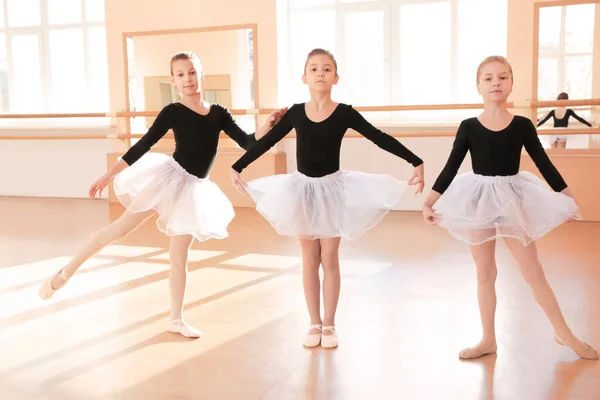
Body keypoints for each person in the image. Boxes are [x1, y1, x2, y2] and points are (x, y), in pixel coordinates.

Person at [39, 52, 287, 338]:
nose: (188, 79)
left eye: (192, 72)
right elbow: (143, 144)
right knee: (118, 229)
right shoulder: (172, 111)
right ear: (173, 81)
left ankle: (175, 319)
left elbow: (248, 142)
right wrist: (109, 175)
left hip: (193, 189)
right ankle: (65, 273)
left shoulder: (218, 113)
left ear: (201, 74)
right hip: (168, 180)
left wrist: (269, 124)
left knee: (178, 255)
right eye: (181, 75)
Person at [229, 48, 425, 349]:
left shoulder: (344, 112)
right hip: (302, 190)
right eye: (314, 68)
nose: (320, 73)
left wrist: (415, 160)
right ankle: (313, 323)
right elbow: (267, 141)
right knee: (309, 259)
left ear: (336, 77)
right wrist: (238, 165)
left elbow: (378, 136)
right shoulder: (295, 112)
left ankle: (330, 325)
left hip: (333, 190)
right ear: (304, 76)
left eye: (327, 68)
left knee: (330, 258)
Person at [421, 55, 598, 360]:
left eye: (502, 77)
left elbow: (544, 162)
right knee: (485, 272)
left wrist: (567, 198)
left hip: (513, 197)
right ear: (478, 86)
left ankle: (563, 332)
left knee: (533, 271)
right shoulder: (468, 127)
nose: (496, 83)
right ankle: (488, 338)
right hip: (478, 200)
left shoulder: (522, 125)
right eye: (488, 78)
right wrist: (429, 200)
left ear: (511, 84)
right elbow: (452, 166)